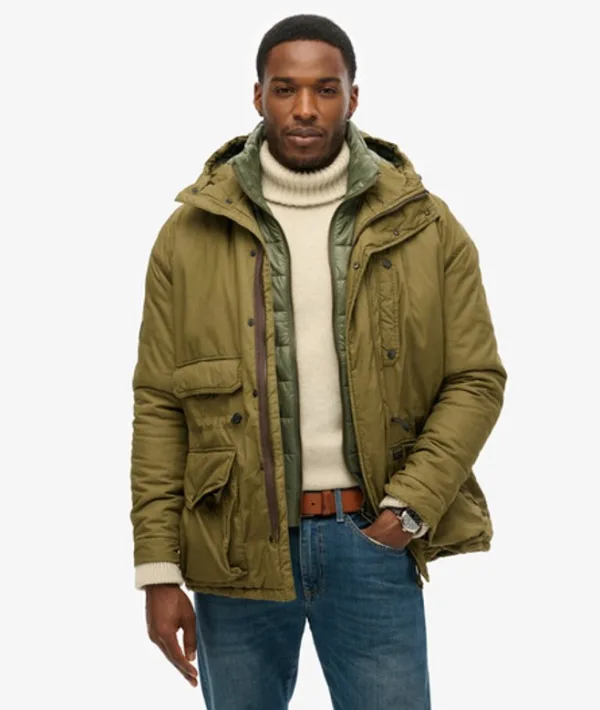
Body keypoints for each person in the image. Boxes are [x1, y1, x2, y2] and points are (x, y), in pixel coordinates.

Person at [129, 13, 507, 710]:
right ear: (258, 96)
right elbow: (158, 402)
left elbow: (476, 378)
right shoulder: (188, 234)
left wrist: (409, 510)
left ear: (352, 97)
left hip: (372, 541)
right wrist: (157, 568)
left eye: (325, 89)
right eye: (286, 89)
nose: (305, 108)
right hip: (233, 547)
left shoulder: (425, 224)